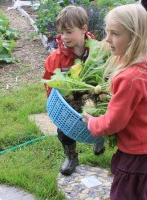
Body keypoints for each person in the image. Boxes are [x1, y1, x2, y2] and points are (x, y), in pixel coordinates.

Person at [83, 4, 147, 200]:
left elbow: (114, 122)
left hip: (138, 150)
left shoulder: (130, 78)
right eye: (107, 32)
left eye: (115, 33)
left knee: (125, 194)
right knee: (139, 190)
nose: (108, 39)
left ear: (134, 37)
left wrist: (93, 123)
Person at [43, 5, 105, 176]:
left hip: (96, 96)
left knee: (105, 119)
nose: (64, 37)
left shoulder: (98, 50)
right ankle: (71, 157)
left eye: (69, 32)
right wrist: (54, 101)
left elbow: (109, 73)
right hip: (70, 103)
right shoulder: (56, 58)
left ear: (84, 29)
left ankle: (99, 140)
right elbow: (49, 82)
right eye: (62, 32)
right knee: (64, 130)